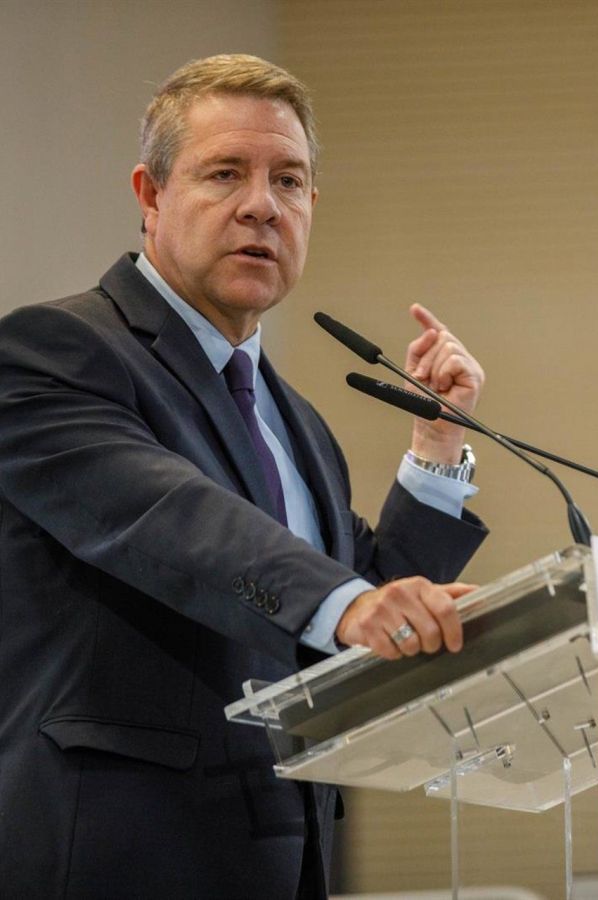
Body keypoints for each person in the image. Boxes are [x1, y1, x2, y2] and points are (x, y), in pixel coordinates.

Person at [0, 54, 488, 898]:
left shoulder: (298, 425)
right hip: (116, 861)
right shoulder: (55, 353)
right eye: (225, 173)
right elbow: (168, 518)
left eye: (288, 181)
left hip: (280, 862)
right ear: (151, 195)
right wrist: (352, 606)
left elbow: (360, 616)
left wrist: (437, 447)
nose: (262, 205)